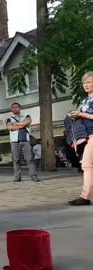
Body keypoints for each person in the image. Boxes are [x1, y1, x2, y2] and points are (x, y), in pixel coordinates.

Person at [68, 71, 93, 206]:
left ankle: (85, 196)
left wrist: (81, 114)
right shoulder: (85, 100)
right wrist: (76, 115)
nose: (85, 85)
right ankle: (85, 196)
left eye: (88, 82)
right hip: (87, 135)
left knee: (87, 165)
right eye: (84, 82)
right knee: (88, 165)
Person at [6, 102, 40, 182]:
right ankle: (17, 177)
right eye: (13, 107)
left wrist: (16, 124)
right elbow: (10, 127)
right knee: (16, 160)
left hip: (25, 141)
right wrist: (22, 125)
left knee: (30, 160)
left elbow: (28, 121)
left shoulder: (26, 116)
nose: (15, 108)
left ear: (19, 108)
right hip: (14, 142)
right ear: (11, 109)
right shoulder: (9, 119)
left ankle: (33, 176)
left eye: (16, 107)